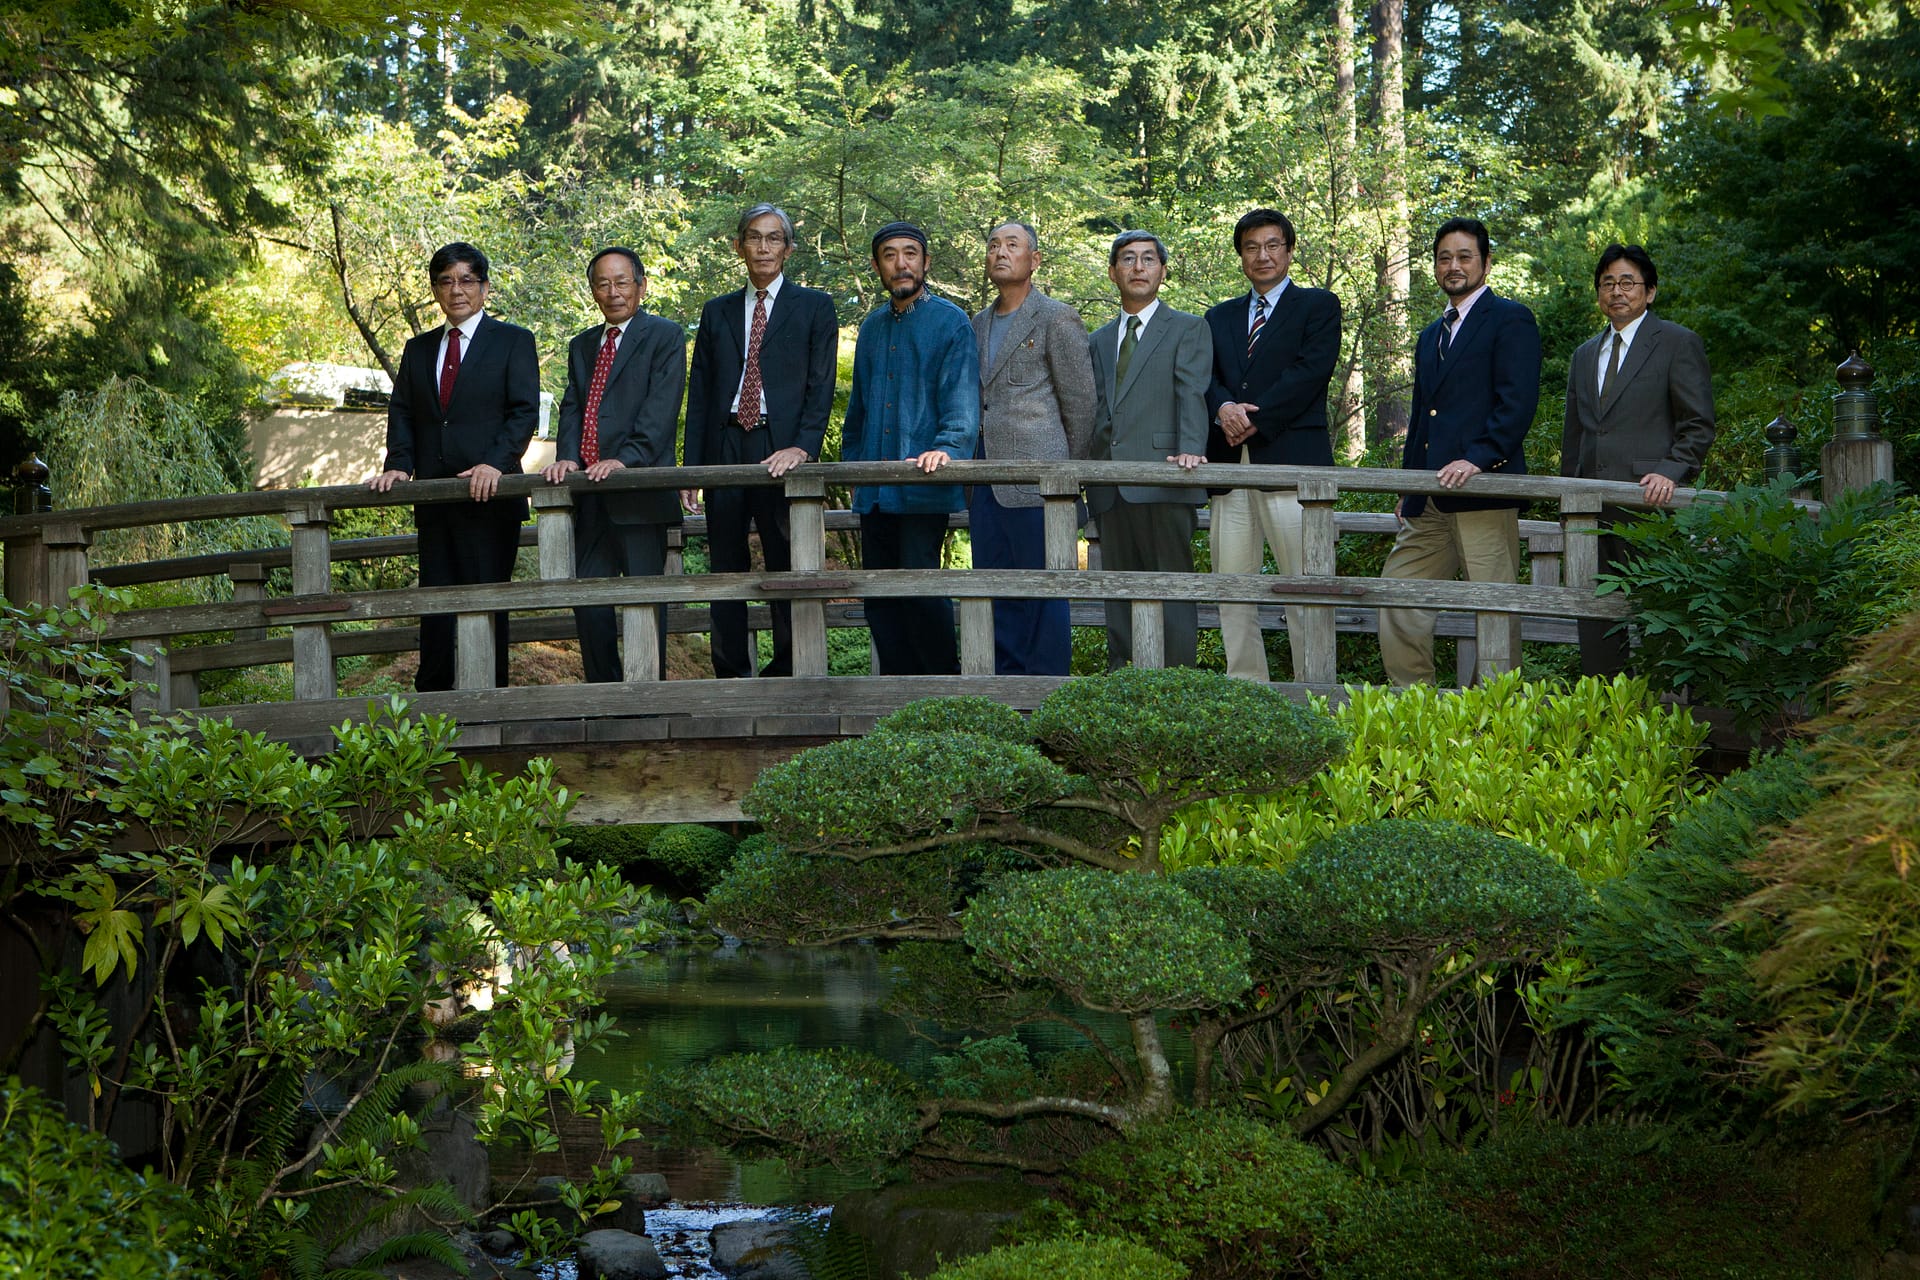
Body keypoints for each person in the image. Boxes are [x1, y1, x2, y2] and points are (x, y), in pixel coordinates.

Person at [1378, 217, 1542, 687]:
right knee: (1397, 593)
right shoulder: (1430, 336)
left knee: (1493, 609)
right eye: (1444, 257)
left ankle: (1495, 715)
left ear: (1486, 263)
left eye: (1464, 256)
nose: (1454, 265)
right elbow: (1422, 416)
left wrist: (1479, 457)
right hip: (1427, 498)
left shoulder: (1511, 319)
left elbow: (1517, 402)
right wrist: (1408, 485)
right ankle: (1412, 705)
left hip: (1484, 490)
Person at [371, 242, 538, 691]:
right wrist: (399, 464)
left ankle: (489, 707)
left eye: (466, 280)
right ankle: (433, 714)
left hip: (490, 499)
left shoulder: (513, 341)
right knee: (436, 610)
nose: (456, 290)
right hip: (435, 500)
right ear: (436, 290)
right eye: (446, 281)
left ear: (484, 287)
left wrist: (496, 463)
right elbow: (403, 411)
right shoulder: (419, 349)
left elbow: (524, 412)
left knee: (485, 607)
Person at [684, 204, 839, 679]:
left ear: (788, 249)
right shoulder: (717, 311)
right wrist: (692, 468)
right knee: (725, 567)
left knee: (787, 561)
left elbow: (821, 386)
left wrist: (804, 447)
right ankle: (730, 671)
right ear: (739, 246)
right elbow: (702, 391)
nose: (764, 247)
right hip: (726, 444)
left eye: (774, 239)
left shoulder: (814, 307)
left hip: (782, 446)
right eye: (755, 237)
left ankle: (792, 668)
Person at [1561, 243, 1716, 675]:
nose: (1617, 291)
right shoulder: (1584, 354)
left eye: (1628, 282)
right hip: (1589, 508)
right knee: (1594, 617)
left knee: (1658, 618)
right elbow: (1574, 436)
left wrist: (1671, 471)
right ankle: (1605, 712)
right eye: (1607, 282)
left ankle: (1662, 721)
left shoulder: (1677, 343)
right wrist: (1565, 495)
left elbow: (1698, 423)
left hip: (1649, 505)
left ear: (1649, 292)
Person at [1202, 207, 1342, 682]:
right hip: (1229, 466)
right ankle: (1247, 691)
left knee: (1304, 586)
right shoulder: (1217, 317)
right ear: (1240, 255)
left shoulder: (1318, 307)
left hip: (1290, 462)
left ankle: (1316, 691)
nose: (1262, 255)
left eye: (1272, 245)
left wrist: (1252, 419)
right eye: (1251, 247)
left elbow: (1310, 372)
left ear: (1288, 250)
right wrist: (1224, 409)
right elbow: (1207, 377)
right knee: (1232, 587)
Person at [540, 247, 686, 683]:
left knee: (643, 600)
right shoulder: (582, 345)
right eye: (602, 283)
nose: (613, 291)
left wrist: (624, 459)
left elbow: (661, 411)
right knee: (590, 600)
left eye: (622, 281)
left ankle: (645, 695)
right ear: (593, 291)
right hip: (589, 494)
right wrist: (567, 456)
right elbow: (573, 407)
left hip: (639, 492)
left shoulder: (664, 335)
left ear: (641, 285)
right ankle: (603, 693)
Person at [841, 221, 981, 675]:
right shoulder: (872, 327)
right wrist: (851, 470)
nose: (901, 263)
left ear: (925, 262)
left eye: (910, 253)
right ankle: (896, 695)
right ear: (877, 265)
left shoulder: (951, 322)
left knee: (922, 588)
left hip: (924, 484)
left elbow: (962, 404)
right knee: (879, 595)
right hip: (875, 488)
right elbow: (857, 413)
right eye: (889, 255)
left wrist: (947, 448)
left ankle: (942, 688)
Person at [970, 220, 1097, 676]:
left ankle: (1047, 697)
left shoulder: (1056, 317)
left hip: (1041, 487)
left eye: (1013, 245)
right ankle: (1006, 697)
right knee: (997, 591)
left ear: (1034, 260)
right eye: (994, 245)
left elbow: (1081, 407)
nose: (1001, 252)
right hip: (985, 482)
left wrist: (1067, 480)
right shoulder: (977, 323)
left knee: (1044, 595)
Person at [1086, 230, 1212, 670]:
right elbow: (1097, 408)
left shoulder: (1189, 328)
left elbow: (1191, 393)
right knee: (1118, 590)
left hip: (1165, 476)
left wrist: (1192, 449)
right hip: (1110, 484)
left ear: (1161, 270)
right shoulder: (1099, 339)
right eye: (1127, 260)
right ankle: (1123, 681)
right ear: (1113, 272)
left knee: (1171, 589)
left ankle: (1178, 682)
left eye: (1147, 259)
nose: (1138, 267)